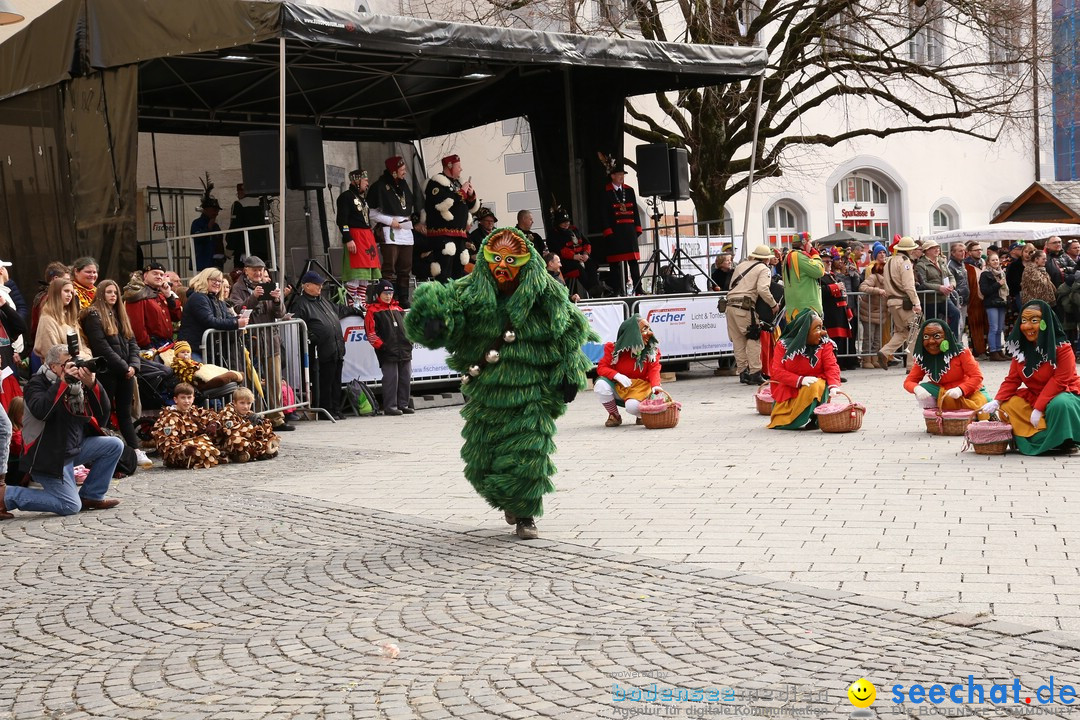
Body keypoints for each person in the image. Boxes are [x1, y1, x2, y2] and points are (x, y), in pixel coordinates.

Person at [404, 227, 594, 540]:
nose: (502, 267)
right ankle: (510, 498)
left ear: (526, 261)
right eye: (495, 258)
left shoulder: (545, 291)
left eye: (511, 259)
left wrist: (570, 371)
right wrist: (431, 319)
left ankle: (525, 513)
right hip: (487, 392)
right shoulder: (470, 290)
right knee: (482, 459)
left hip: (531, 389)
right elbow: (445, 311)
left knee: (528, 453)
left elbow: (569, 331)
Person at [0, 344, 123, 519]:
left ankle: (91, 496)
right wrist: (63, 383)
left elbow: (102, 416)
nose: (76, 367)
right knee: (70, 505)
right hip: (47, 456)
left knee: (114, 445)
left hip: (71, 448)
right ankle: (8, 495)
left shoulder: (77, 384)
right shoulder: (36, 384)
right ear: (53, 367)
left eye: (77, 362)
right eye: (69, 363)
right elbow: (42, 411)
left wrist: (92, 384)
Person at [981, 300, 1080, 455]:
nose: (1027, 327)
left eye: (1034, 321)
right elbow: (1012, 379)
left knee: (1060, 405)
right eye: (1024, 321)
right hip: (1035, 395)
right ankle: (1037, 436)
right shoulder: (1021, 350)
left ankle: (1064, 440)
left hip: (1063, 393)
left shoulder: (1062, 348)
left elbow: (1059, 381)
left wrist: (1039, 408)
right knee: (1009, 405)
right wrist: (997, 400)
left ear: (1045, 323)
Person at [79, 279, 152, 469]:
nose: (112, 295)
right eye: (109, 292)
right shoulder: (93, 315)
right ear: (101, 293)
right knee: (102, 412)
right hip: (107, 371)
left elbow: (133, 342)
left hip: (126, 371)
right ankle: (95, 451)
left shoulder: (120, 315)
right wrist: (124, 367)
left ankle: (135, 450)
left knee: (125, 413)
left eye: (115, 292)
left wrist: (133, 366)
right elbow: (101, 346)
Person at [228, 256, 292, 432]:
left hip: (271, 340)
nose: (258, 273)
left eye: (260, 270)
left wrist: (278, 300)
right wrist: (253, 297)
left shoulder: (268, 285)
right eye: (254, 270)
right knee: (250, 382)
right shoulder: (238, 288)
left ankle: (277, 418)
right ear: (246, 270)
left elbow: (279, 314)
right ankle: (252, 417)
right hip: (250, 342)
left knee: (274, 381)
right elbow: (238, 310)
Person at [288, 271, 362, 420]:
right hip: (319, 350)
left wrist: (356, 311)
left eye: (321, 284)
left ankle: (335, 409)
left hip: (336, 348)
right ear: (306, 286)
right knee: (324, 382)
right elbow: (296, 326)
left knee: (335, 381)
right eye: (317, 284)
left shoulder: (323, 300)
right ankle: (325, 409)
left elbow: (340, 310)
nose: (321, 286)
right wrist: (312, 338)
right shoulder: (300, 304)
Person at [766, 311, 841, 430]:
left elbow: (831, 366)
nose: (823, 332)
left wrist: (834, 385)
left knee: (815, 385)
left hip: (815, 387)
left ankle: (817, 417)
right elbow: (777, 371)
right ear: (804, 332)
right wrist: (799, 380)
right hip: (789, 389)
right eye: (817, 328)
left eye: (822, 327)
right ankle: (792, 419)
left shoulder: (825, 345)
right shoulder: (782, 345)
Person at [903, 318, 989, 415]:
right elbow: (909, 381)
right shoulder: (923, 358)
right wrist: (916, 389)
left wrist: (960, 389)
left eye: (937, 336)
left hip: (968, 390)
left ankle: (974, 413)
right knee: (924, 388)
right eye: (926, 337)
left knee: (983, 401)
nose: (931, 341)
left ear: (946, 337)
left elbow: (977, 377)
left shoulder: (961, 352)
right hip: (942, 391)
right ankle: (938, 412)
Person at [725, 245, 781, 385]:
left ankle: (743, 372)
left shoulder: (741, 265)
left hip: (729, 305)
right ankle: (755, 372)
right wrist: (774, 305)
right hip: (745, 306)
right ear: (766, 259)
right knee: (753, 337)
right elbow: (763, 289)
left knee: (738, 340)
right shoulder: (763, 268)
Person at [594, 315, 662, 427]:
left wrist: (655, 385)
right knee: (600, 385)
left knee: (632, 407)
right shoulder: (614, 349)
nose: (649, 333)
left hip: (641, 388)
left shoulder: (651, 351)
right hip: (620, 386)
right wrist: (616, 375)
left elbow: (654, 369)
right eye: (644, 330)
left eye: (649, 329)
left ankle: (642, 415)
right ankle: (614, 415)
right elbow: (602, 367)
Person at [421, 154, 479, 282]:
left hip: (459, 235)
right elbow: (443, 203)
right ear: (450, 166)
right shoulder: (436, 183)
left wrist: (470, 195)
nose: (461, 169)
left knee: (459, 269)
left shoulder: (458, 183)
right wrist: (462, 193)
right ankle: (443, 298)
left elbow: (470, 206)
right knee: (444, 270)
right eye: (459, 166)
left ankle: (456, 299)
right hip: (442, 235)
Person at [368, 156, 416, 307]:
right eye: (402, 170)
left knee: (406, 267)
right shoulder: (379, 186)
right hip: (390, 231)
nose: (405, 173)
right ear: (393, 172)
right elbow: (370, 212)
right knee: (389, 268)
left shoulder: (403, 185)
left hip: (406, 231)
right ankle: (388, 297)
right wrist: (390, 221)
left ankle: (403, 298)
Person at [364, 279, 413, 416]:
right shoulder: (372, 311)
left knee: (405, 377)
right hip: (387, 351)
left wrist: (410, 342)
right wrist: (383, 347)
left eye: (390, 293)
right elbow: (371, 334)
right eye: (385, 293)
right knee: (391, 379)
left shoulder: (398, 309)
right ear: (378, 294)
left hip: (404, 350)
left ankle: (403, 404)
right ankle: (390, 406)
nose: (388, 296)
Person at [177, 268, 249, 361]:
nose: (217, 283)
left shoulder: (217, 300)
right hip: (195, 349)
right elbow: (209, 321)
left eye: (219, 281)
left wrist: (237, 318)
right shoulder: (198, 297)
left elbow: (225, 318)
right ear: (204, 280)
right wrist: (236, 323)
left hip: (210, 350)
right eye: (213, 280)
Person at [336, 169, 381, 307]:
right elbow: (342, 220)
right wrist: (348, 238)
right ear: (357, 180)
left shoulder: (362, 199)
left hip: (366, 238)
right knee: (356, 272)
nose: (367, 184)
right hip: (355, 237)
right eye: (365, 181)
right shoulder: (346, 197)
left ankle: (360, 302)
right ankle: (352, 304)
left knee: (365, 275)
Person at [151, 382, 222, 469]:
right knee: (206, 453)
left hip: (197, 445)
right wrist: (184, 451)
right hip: (180, 454)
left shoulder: (193, 411)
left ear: (193, 399)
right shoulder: (170, 418)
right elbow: (168, 445)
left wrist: (213, 424)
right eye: (183, 398)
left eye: (189, 397)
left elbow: (211, 415)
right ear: (176, 399)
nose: (187, 401)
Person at [876, 236, 922, 369]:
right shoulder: (905, 261)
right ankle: (911, 366)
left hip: (892, 302)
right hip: (904, 302)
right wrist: (916, 303)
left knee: (901, 332)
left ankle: (885, 352)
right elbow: (909, 285)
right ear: (909, 250)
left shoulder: (889, 261)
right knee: (914, 333)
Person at [599, 155, 643, 295]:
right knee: (615, 264)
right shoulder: (605, 192)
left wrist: (637, 228)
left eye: (622, 174)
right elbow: (604, 214)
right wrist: (608, 231)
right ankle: (617, 289)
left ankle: (638, 288)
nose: (621, 177)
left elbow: (635, 211)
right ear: (612, 176)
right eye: (619, 174)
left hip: (629, 230)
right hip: (615, 231)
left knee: (634, 262)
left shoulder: (629, 190)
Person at [123, 262, 184, 350]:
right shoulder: (137, 294)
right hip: (151, 345)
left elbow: (177, 316)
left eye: (161, 274)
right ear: (145, 276)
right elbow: (137, 326)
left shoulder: (161, 295)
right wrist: (147, 346)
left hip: (166, 343)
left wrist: (168, 296)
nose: (159, 276)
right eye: (155, 273)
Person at [33, 278, 86, 364]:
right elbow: (52, 354)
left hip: (78, 365)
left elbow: (83, 345)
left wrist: (86, 357)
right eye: (66, 291)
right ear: (56, 293)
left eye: (71, 292)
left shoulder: (70, 317)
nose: (70, 295)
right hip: (59, 370)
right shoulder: (47, 318)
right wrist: (80, 358)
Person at [818, 249, 855, 368]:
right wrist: (835, 287)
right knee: (830, 343)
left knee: (838, 343)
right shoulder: (819, 277)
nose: (829, 263)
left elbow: (843, 295)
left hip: (839, 313)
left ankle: (835, 369)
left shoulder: (832, 276)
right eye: (826, 261)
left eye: (830, 261)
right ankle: (830, 369)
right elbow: (820, 292)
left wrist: (847, 310)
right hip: (829, 314)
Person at [548, 204, 597, 293]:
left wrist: (585, 253)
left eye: (567, 221)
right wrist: (574, 256)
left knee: (591, 263)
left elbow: (586, 242)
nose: (566, 224)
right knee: (578, 268)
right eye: (563, 222)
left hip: (581, 257)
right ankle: (592, 290)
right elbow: (560, 250)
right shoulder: (553, 235)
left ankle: (596, 287)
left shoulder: (574, 229)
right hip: (565, 262)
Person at [916, 241, 960, 337]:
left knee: (955, 314)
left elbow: (950, 276)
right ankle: (933, 347)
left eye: (938, 247)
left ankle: (952, 340)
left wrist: (952, 285)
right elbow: (923, 283)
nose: (937, 250)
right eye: (933, 248)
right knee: (932, 325)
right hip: (930, 300)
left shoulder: (941, 261)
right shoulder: (921, 264)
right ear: (926, 251)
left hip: (944, 298)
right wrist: (939, 287)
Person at [858, 242, 889, 369]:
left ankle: (875, 358)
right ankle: (866, 359)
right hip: (870, 312)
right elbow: (863, 287)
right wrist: (877, 290)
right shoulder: (873, 277)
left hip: (880, 312)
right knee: (868, 337)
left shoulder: (887, 280)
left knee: (877, 338)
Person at [781, 232, 824, 321]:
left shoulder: (790, 255)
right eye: (810, 243)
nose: (811, 246)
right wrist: (815, 255)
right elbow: (819, 271)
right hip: (805, 309)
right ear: (804, 243)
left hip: (796, 308)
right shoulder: (799, 256)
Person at [227, 182, 270, 264]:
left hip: (245, 248)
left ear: (242, 192)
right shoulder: (262, 203)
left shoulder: (238, 204)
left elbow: (235, 227)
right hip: (263, 248)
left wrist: (230, 248)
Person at [980, 252, 1010, 361]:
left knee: (1000, 328)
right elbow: (985, 291)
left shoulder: (1001, 273)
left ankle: (999, 350)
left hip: (1001, 302)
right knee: (994, 327)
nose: (995, 262)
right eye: (993, 260)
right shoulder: (985, 274)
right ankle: (993, 351)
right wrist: (998, 284)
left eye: (997, 260)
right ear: (988, 262)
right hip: (991, 303)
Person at [192, 180, 226, 271]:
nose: (216, 213)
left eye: (217, 211)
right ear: (206, 210)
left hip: (216, 262)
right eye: (214, 210)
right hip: (204, 262)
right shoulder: (197, 223)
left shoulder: (216, 226)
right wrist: (208, 228)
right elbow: (197, 238)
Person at [962, 241, 988, 357]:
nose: (979, 251)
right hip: (973, 300)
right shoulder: (966, 266)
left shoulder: (983, 263)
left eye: (980, 249)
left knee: (985, 325)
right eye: (976, 250)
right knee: (974, 325)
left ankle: (985, 348)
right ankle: (977, 350)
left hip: (985, 299)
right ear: (969, 252)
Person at [946, 242, 971, 339]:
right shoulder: (950, 265)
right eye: (960, 251)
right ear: (953, 253)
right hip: (955, 301)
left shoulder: (962, 264)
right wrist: (955, 300)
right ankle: (955, 349)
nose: (963, 253)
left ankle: (959, 349)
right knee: (957, 326)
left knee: (961, 327)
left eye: (964, 251)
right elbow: (949, 284)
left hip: (964, 300)